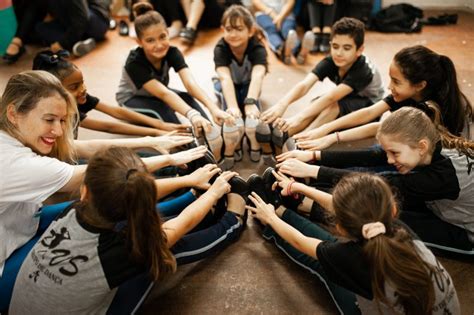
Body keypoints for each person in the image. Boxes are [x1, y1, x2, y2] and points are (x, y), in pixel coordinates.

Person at [0, 70, 209, 311]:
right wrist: (169, 161)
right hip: (6, 268)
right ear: (14, 113)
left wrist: (152, 141)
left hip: (21, 225)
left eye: (61, 120)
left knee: (96, 211)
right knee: (129, 248)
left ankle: (189, 197)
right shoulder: (14, 164)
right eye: (49, 120)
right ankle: (197, 199)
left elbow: (87, 146)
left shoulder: (12, 135)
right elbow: (104, 175)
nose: (58, 131)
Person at [9, 146, 249, 313]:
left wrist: (188, 182)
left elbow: (132, 192)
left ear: (84, 190)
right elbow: (177, 228)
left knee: (144, 242)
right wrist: (216, 191)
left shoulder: (74, 210)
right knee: (160, 255)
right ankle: (232, 223)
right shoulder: (117, 252)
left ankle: (193, 197)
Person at [247, 172, 460, 314]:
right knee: (331, 251)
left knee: (324, 264)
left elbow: (301, 242)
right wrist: (298, 187)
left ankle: (274, 218)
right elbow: (350, 209)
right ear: (392, 209)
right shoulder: (399, 230)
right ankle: (282, 211)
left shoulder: (351, 258)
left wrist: (271, 218)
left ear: (340, 227)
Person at [276, 106, 474, 255]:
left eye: (394, 153)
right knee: (379, 185)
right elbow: (374, 156)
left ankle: (305, 205)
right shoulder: (430, 142)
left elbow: (373, 186)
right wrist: (315, 156)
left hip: (464, 234)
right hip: (438, 205)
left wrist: (313, 170)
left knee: (379, 221)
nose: (388, 159)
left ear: (421, 146)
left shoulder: (442, 177)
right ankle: (311, 192)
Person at [295, 45, 474, 151]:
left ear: (420, 85)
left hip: (429, 162)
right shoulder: (411, 92)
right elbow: (370, 112)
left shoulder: (428, 109)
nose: (389, 86)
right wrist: (325, 128)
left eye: (396, 81)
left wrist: (332, 137)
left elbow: (381, 128)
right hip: (410, 144)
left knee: (371, 157)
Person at [116, 2, 230, 160]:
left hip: (159, 94)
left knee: (188, 99)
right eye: (150, 40)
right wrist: (192, 115)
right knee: (164, 110)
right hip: (131, 99)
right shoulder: (134, 62)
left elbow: (190, 84)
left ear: (168, 33)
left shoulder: (173, 52)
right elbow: (164, 94)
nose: (159, 45)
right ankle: (192, 150)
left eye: (162, 37)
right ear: (139, 42)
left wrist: (213, 109)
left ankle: (207, 129)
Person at [259, 17, 383, 151]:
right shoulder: (332, 61)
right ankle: (284, 133)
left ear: (359, 50)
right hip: (348, 99)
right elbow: (305, 85)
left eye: (347, 48)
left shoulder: (363, 70)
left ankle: (303, 142)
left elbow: (332, 97)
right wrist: (282, 104)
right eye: (335, 46)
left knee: (331, 106)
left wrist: (298, 117)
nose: (339, 53)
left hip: (370, 108)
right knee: (315, 105)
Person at [33, 49, 190, 138]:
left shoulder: (77, 98)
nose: (83, 89)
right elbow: (109, 127)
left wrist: (160, 125)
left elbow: (116, 112)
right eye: (74, 87)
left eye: (82, 83)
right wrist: (157, 133)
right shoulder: (61, 113)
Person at [213, 5, 268, 170]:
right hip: (227, 83)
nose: (233, 34)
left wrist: (250, 102)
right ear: (223, 29)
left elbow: (258, 76)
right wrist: (232, 107)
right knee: (232, 116)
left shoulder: (258, 47)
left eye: (239, 28)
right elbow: (225, 77)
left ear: (250, 31)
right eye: (228, 29)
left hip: (249, 84)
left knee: (251, 116)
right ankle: (234, 146)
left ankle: (254, 144)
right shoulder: (220, 48)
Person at [34, 0, 110, 57]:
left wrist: (62, 43)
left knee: (84, 20)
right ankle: (80, 42)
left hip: (97, 20)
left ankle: (76, 41)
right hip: (74, 21)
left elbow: (82, 18)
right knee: (40, 28)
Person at [252, 0, 314, 64]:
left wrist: (280, 17)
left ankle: (295, 52)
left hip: (286, 14)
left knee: (289, 31)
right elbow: (256, 2)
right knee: (271, 29)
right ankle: (285, 50)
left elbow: (290, 2)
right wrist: (272, 14)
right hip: (264, 14)